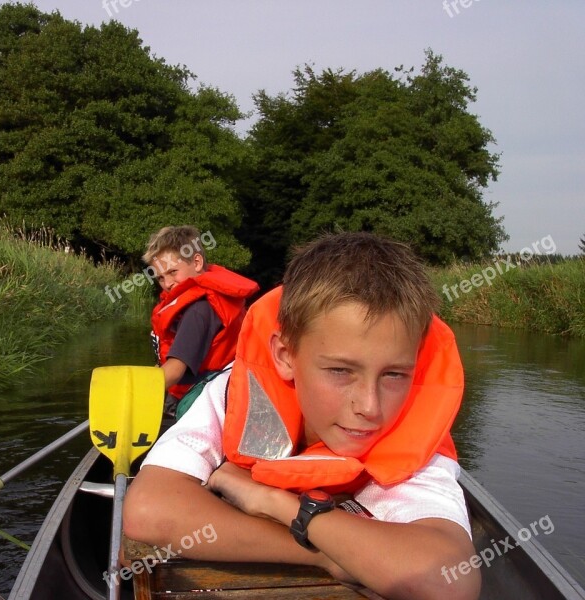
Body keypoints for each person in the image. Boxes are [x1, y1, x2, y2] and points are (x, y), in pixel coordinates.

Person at [125, 232, 481, 600]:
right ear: (284, 356)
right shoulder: (233, 393)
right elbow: (147, 510)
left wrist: (274, 502)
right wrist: (326, 553)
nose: (370, 407)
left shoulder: (415, 432)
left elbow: (449, 583)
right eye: (341, 371)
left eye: (394, 374)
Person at [143, 226, 258, 416]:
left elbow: (174, 372)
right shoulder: (204, 302)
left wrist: (134, 389)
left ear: (196, 262)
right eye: (161, 278)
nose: (168, 283)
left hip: (196, 403)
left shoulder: (199, 311)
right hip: (208, 395)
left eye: (173, 272)